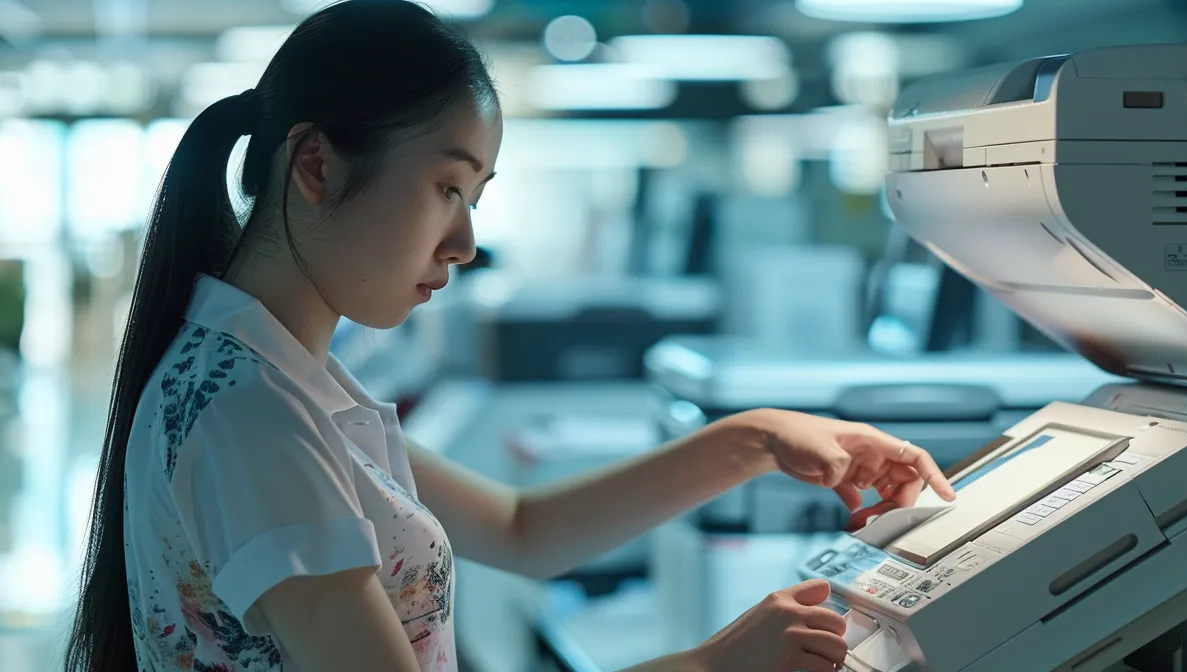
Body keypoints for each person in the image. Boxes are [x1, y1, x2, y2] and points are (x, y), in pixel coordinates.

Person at [64, 2, 955, 670]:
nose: (466, 242)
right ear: (315, 165)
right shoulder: (251, 417)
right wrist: (713, 665)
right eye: (448, 188)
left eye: (476, 198)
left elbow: (528, 531)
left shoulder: (279, 384)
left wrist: (755, 437)